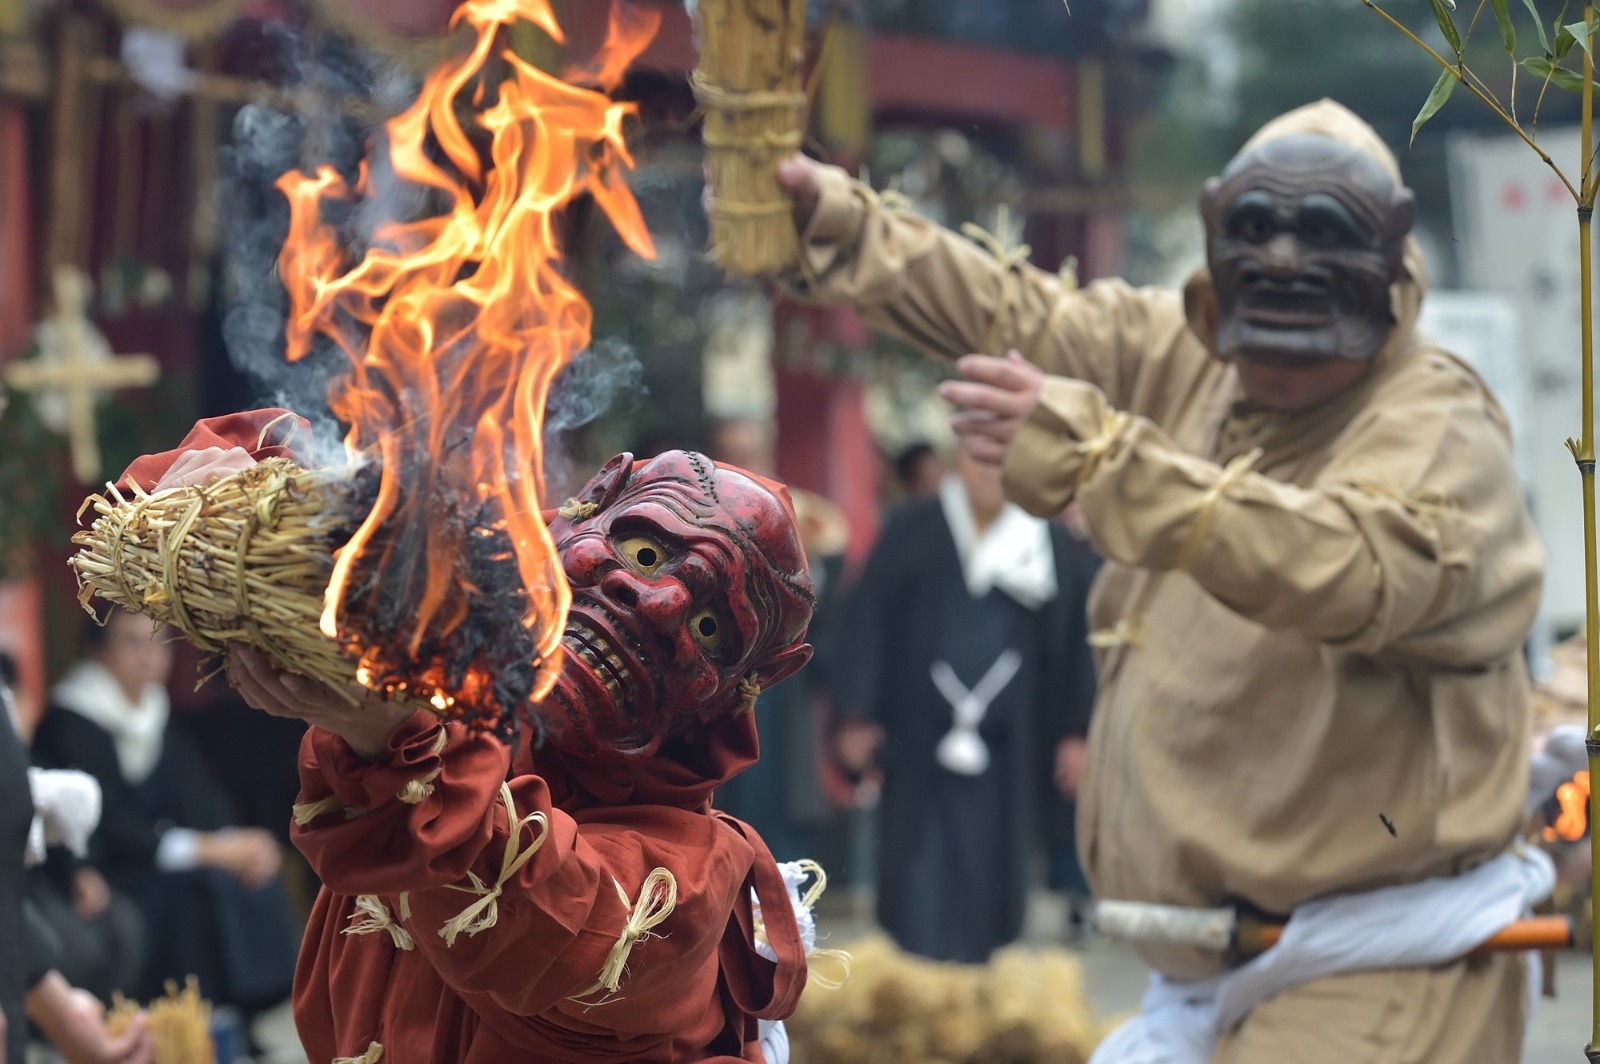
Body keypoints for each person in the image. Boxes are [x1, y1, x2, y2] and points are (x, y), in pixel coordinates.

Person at [763, 99, 1547, 1061]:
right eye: (1260, 235)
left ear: (1387, 263)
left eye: (1324, 240)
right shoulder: (1195, 356)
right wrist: (831, 221)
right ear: (1220, 255)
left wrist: (1105, 463)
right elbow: (1017, 312)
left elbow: (1355, 563)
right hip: (1205, 973)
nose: (1290, 261)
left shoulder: (1435, 420)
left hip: (1376, 979)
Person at [119, 422, 821, 1063]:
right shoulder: (456, 635)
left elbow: (524, 908)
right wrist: (241, 500)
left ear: (742, 687)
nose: (659, 606)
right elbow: (303, 469)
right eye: (644, 551)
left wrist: (398, 738)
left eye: (708, 629)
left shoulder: (685, 878)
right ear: (592, 501)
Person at [828, 448, 1096, 964]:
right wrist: (857, 715)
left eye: (1003, 460)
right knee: (917, 862)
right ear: (958, 460)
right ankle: (915, 968)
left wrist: (1076, 731)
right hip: (918, 730)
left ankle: (991, 967)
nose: (990, 472)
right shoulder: (914, 526)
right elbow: (868, 619)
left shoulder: (1048, 541)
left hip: (1014, 740)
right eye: (980, 459)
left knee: (1002, 862)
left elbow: (1075, 644)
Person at [29, 608, 301, 1018]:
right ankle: (193, 1021)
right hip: (108, 869)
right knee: (194, 895)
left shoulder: (154, 712)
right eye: (133, 642)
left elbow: (196, 797)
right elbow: (112, 827)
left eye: (158, 642)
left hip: (155, 855)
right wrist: (209, 850)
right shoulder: (73, 720)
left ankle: (249, 1018)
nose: (148, 655)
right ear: (100, 651)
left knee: (247, 871)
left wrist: (231, 842)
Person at [2, 655, 152, 1064]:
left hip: (38, 893)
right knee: (76, 944)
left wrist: (82, 870)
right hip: (32, 893)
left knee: (124, 924)